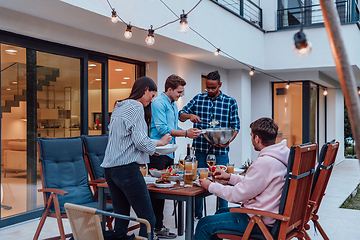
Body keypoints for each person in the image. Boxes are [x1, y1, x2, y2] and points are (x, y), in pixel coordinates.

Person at [194, 117, 290, 240]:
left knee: (203, 224)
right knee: (221, 211)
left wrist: (210, 186)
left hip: (259, 220)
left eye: (251, 136)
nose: (251, 140)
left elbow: (237, 195)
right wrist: (230, 178)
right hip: (270, 215)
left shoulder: (265, 163)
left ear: (257, 138)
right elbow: (255, 184)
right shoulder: (280, 156)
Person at [101, 76, 172, 239]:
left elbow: (127, 140)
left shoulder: (120, 106)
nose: (151, 100)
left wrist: (150, 149)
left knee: (121, 217)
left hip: (110, 170)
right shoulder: (136, 106)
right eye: (152, 95)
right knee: (148, 219)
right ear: (145, 90)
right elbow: (140, 141)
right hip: (127, 170)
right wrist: (160, 143)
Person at [179, 70, 240, 219]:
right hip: (200, 149)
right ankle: (197, 216)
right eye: (208, 87)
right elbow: (181, 115)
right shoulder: (198, 99)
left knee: (222, 183)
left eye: (213, 87)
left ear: (220, 85)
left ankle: (222, 215)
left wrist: (227, 142)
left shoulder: (230, 102)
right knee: (199, 182)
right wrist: (190, 116)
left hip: (220, 152)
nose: (210, 90)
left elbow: (236, 127)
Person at [149, 74, 201, 238]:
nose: (181, 95)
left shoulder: (173, 104)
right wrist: (186, 133)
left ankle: (158, 226)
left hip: (169, 151)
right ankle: (155, 227)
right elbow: (163, 129)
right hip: (158, 151)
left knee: (164, 188)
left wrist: (188, 131)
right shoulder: (158, 103)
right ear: (169, 89)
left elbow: (173, 126)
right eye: (179, 92)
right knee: (157, 192)